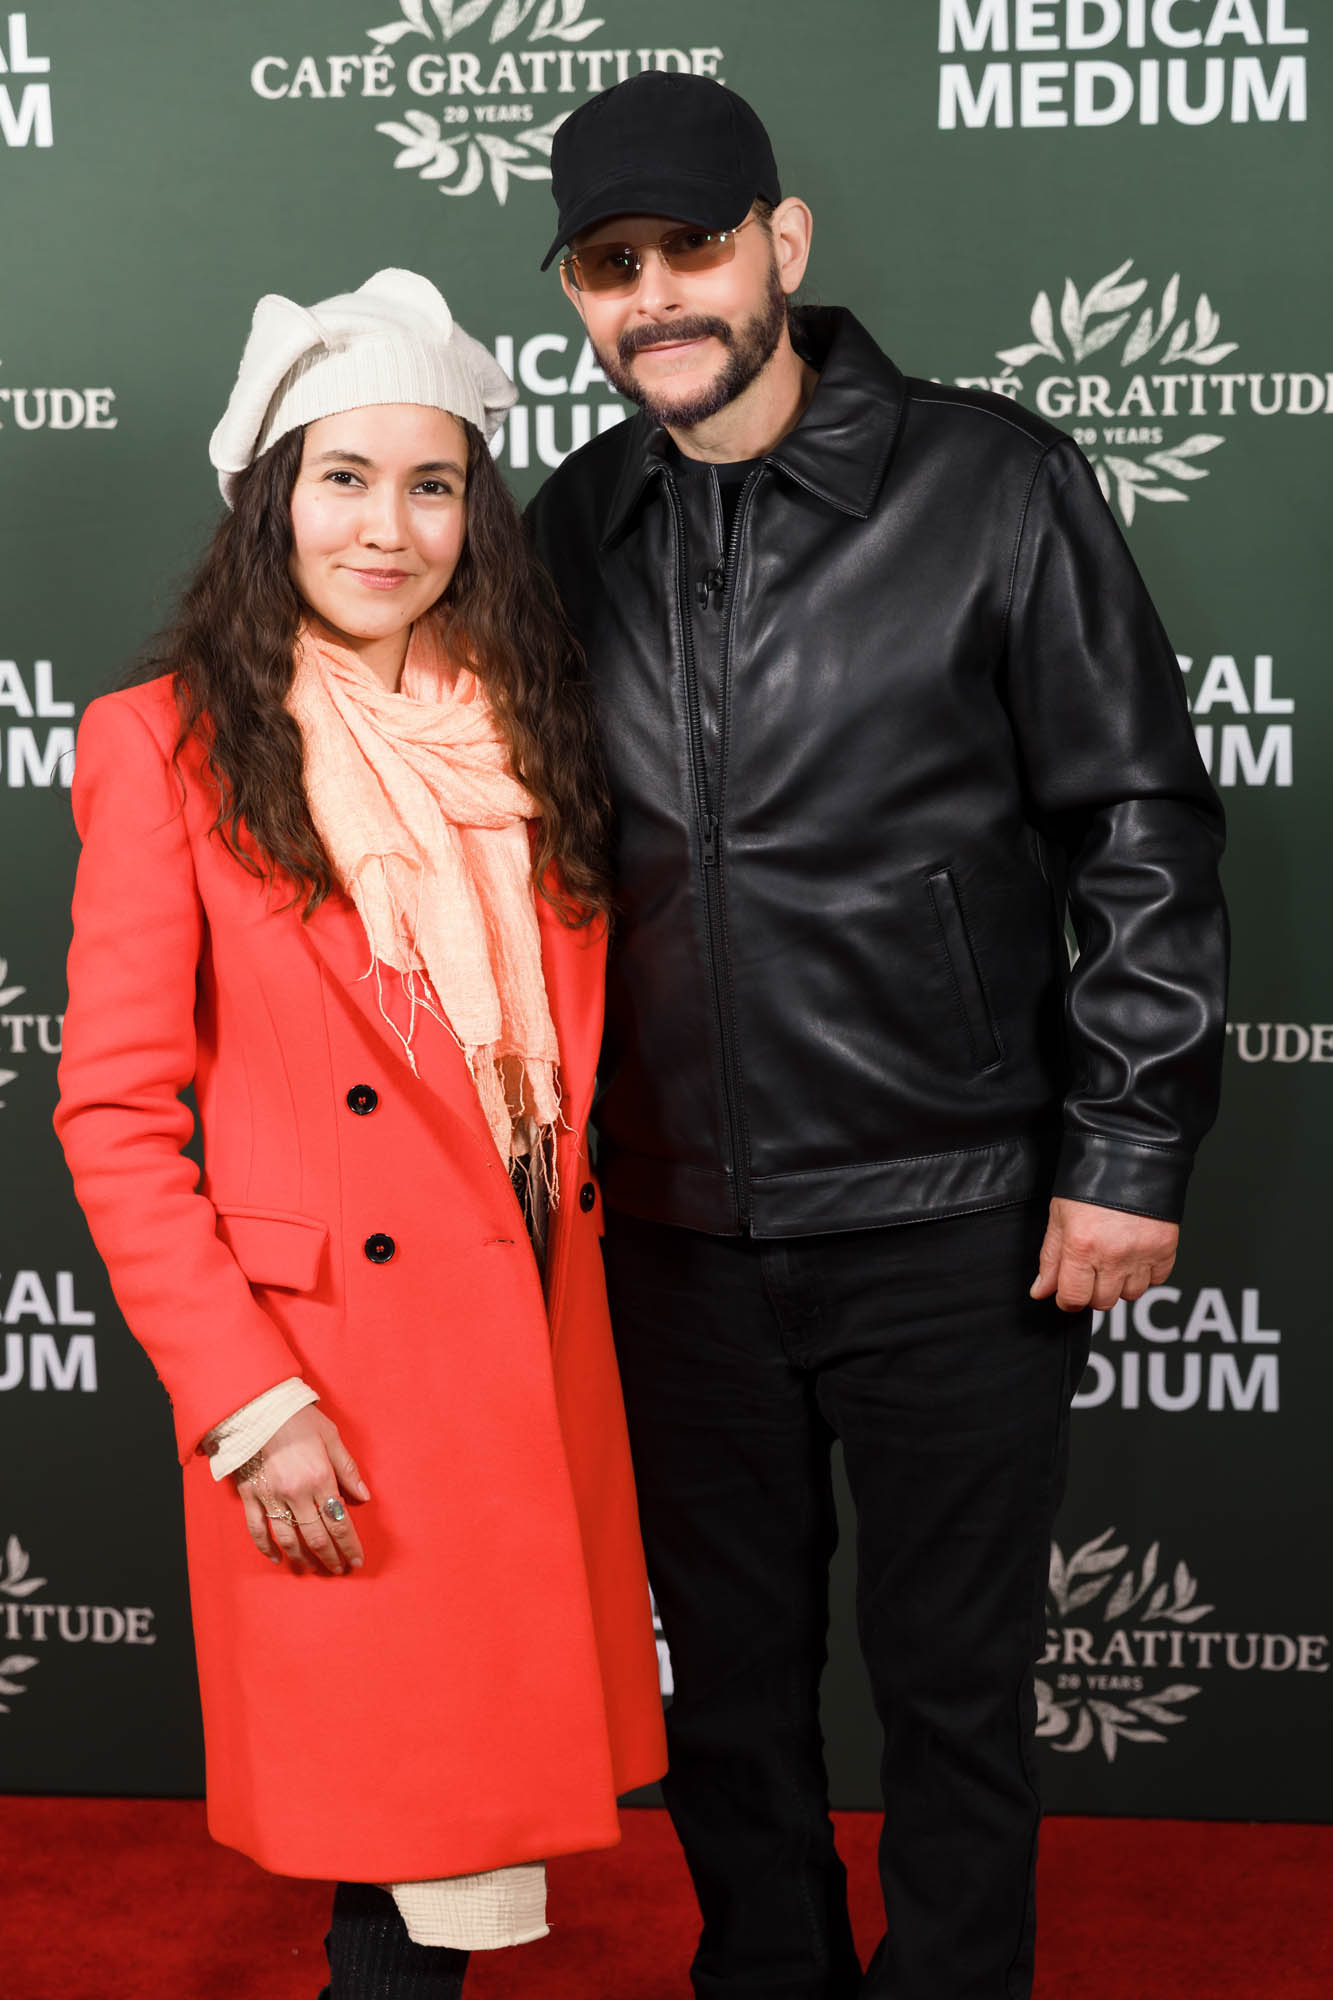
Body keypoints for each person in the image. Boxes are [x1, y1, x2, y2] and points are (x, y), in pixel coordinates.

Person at [526, 74, 1228, 2000]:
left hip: (953, 1213)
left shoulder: (988, 482)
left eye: (691, 248)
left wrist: (1127, 1144)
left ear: (785, 241)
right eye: (608, 266)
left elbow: (1137, 819)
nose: (655, 297)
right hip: (669, 1234)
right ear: (577, 295)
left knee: (953, 1690)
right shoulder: (569, 521)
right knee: (731, 1700)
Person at [54, 267, 665, 2000]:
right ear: (271, 498)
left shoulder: (535, 733)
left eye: (430, 483)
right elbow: (114, 1112)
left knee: (450, 1821)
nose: (386, 528)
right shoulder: (162, 747)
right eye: (343, 478)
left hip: (534, 1326)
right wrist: (249, 1405)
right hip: (333, 1373)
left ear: (475, 512)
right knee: (400, 1818)